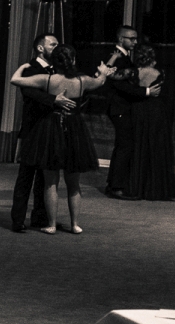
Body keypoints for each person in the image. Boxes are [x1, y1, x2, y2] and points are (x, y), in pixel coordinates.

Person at [10, 45, 115, 234]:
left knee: (50, 182)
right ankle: (74, 225)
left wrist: (23, 67)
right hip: (75, 129)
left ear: (54, 62)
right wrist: (103, 71)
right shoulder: (82, 80)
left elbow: (15, 80)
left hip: (51, 128)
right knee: (73, 183)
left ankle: (51, 224)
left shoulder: (48, 79)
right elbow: (100, 81)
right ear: (73, 60)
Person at [10, 34, 64, 232]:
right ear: (40, 48)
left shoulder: (57, 68)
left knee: (45, 176)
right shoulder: (30, 68)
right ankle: (18, 219)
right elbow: (28, 92)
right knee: (26, 175)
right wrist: (54, 100)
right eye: (53, 44)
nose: (57, 48)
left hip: (49, 128)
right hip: (33, 128)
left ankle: (40, 217)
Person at [122, 44, 175, 200]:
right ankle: (156, 189)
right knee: (156, 147)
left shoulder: (133, 73)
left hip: (138, 109)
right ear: (152, 58)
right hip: (156, 111)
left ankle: (136, 187)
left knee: (139, 145)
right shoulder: (159, 73)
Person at [101, 25, 143, 199]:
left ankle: (114, 184)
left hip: (120, 106)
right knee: (125, 146)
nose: (135, 42)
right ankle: (117, 187)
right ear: (120, 39)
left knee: (122, 145)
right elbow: (119, 85)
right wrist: (146, 92)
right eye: (131, 38)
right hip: (119, 107)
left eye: (135, 38)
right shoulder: (116, 57)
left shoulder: (121, 57)